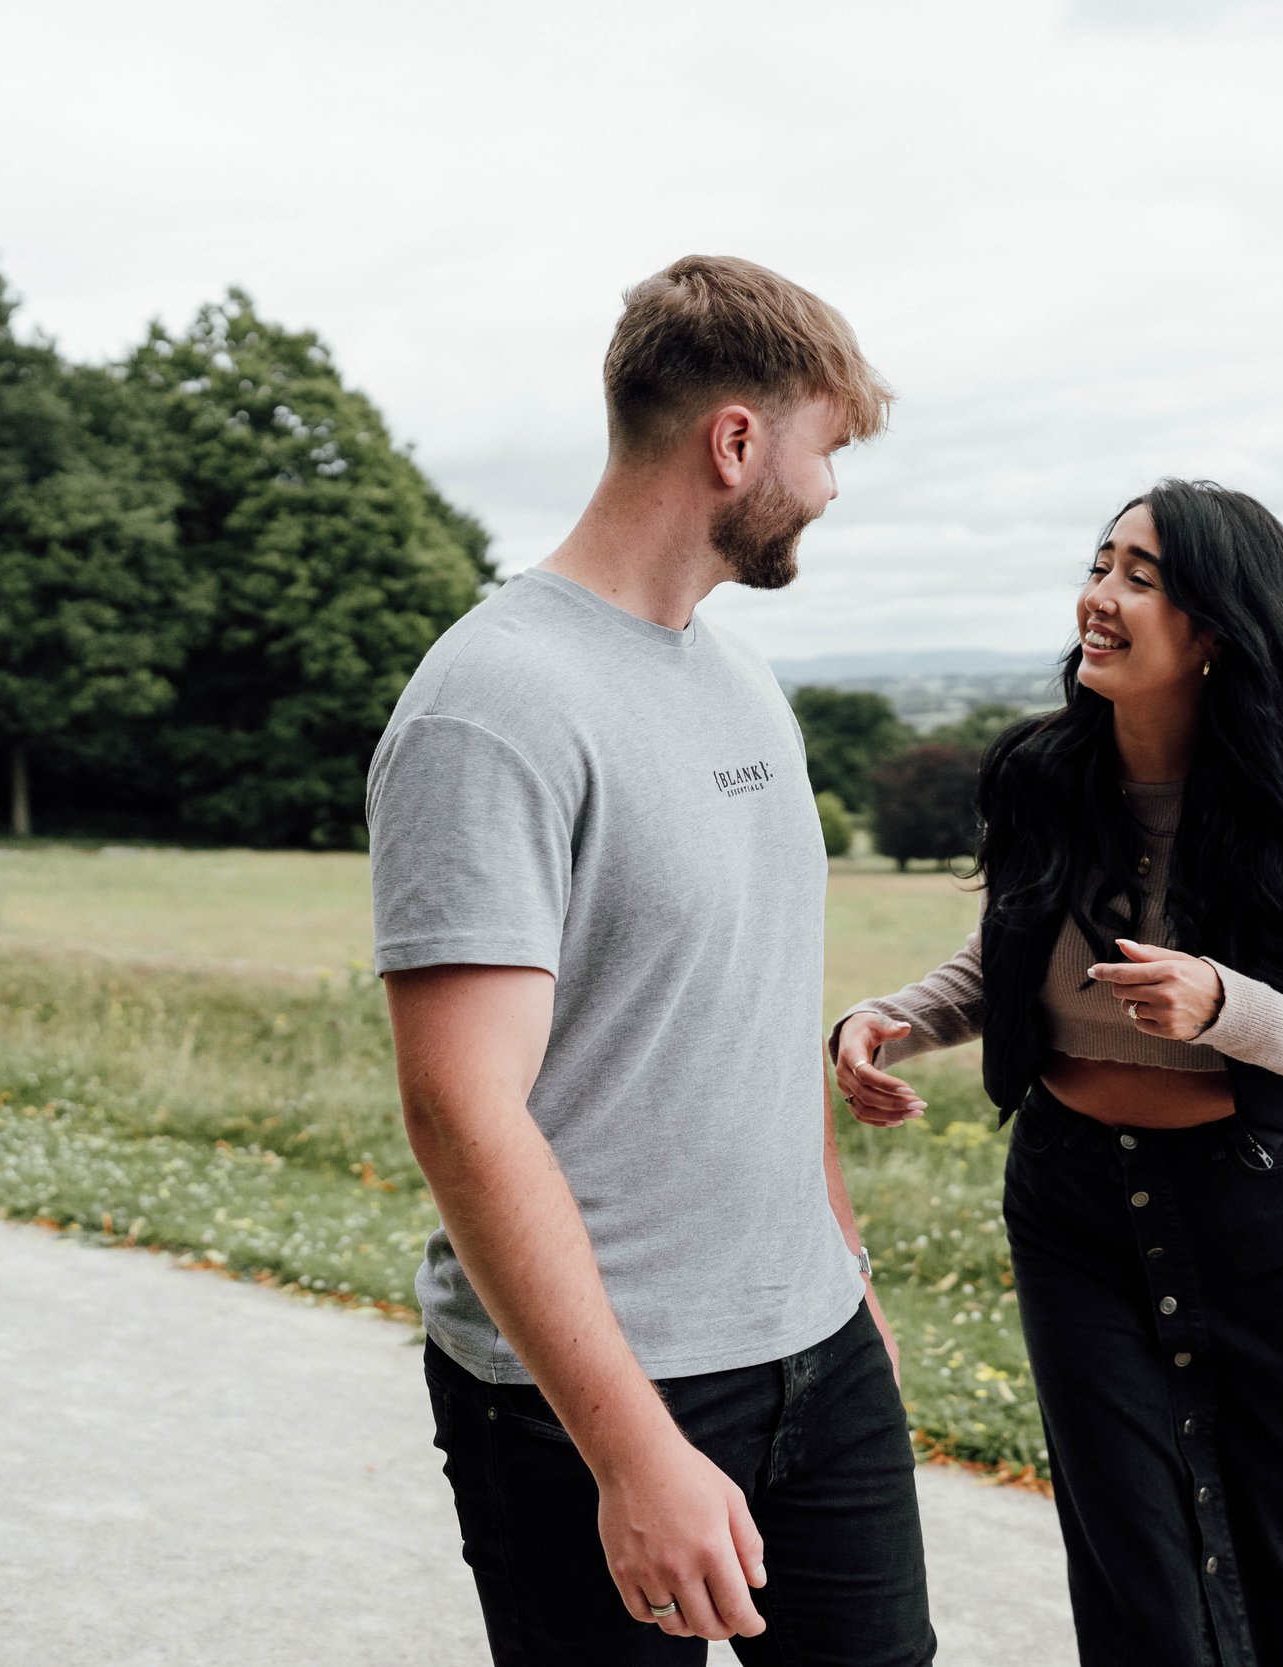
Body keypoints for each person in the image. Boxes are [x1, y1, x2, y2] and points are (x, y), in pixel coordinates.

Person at [366, 256, 935, 1665]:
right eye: (826, 446)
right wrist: (632, 1451)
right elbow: (460, 1107)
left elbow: (757, 1001)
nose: (831, 490)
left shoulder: (739, 679)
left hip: (814, 1344)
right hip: (595, 1398)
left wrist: (842, 1273)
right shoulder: (493, 704)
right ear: (736, 440)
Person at [833, 479, 1283, 1666]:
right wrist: (885, 1018)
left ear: (1217, 629)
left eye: (1141, 577)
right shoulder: (1046, 772)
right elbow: (999, 962)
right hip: (1073, 1201)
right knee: (1135, 1568)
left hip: (1263, 1209)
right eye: (1100, 564)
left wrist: (1222, 1004)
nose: (1100, 595)